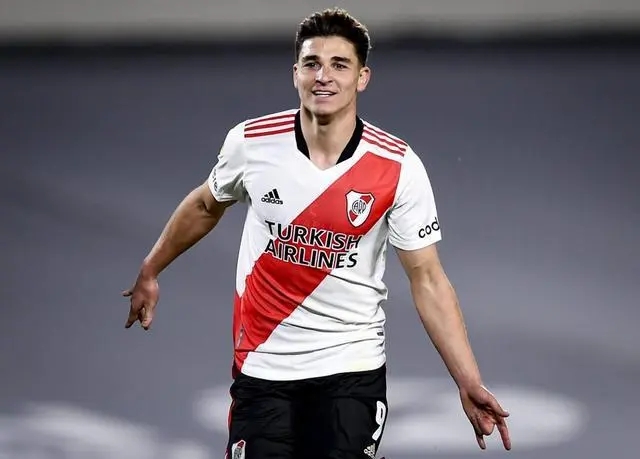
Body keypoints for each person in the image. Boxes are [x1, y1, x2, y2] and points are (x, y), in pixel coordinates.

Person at [123, 7, 511, 459]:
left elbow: (427, 278)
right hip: (264, 367)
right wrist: (152, 268)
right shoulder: (252, 143)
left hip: (351, 369)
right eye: (312, 64)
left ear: (362, 78)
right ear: (295, 74)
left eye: (339, 65)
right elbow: (206, 204)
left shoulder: (397, 166)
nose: (323, 77)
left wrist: (467, 379)